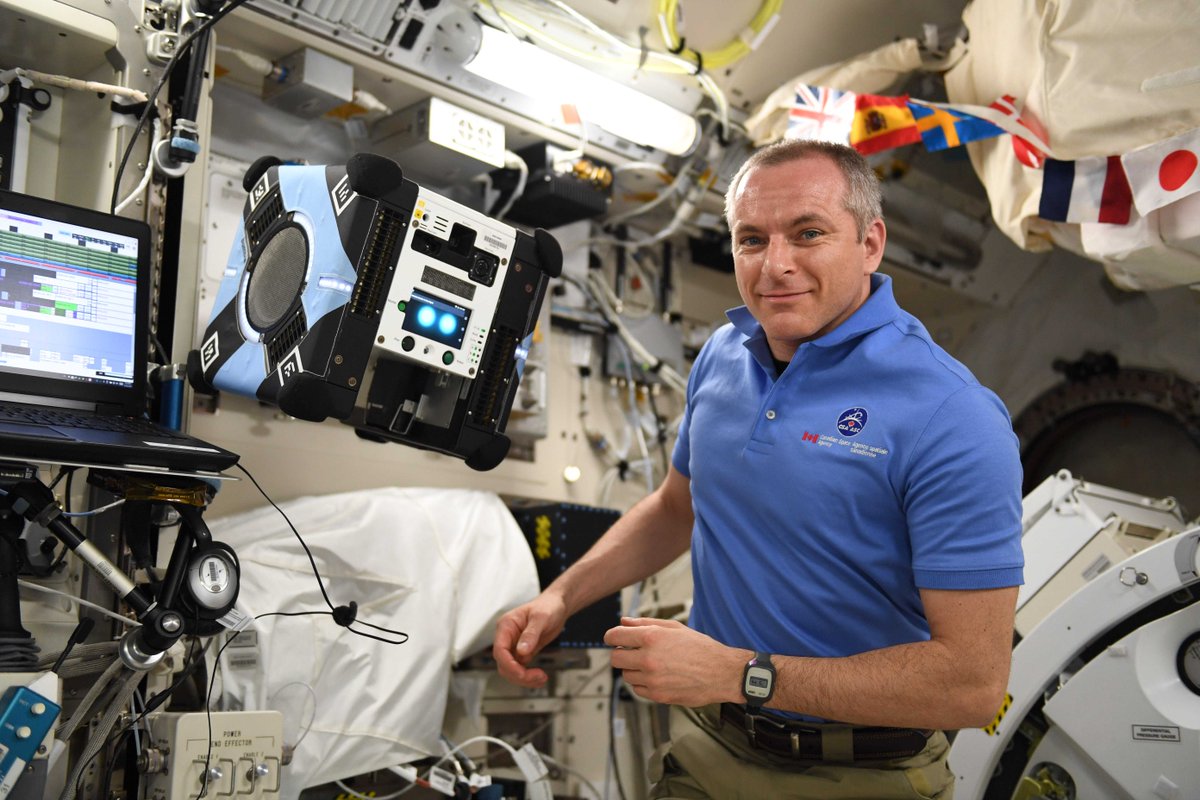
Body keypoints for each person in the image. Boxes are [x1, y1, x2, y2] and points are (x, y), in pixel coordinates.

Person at [493, 139, 1024, 799]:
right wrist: (561, 597)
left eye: (808, 233)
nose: (776, 265)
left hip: (860, 773)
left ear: (870, 243)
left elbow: (972, 686)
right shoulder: (723, 355)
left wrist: (739, 674)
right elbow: (677, 508)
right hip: (708, 744)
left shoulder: (953, 415)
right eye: (751, 239)